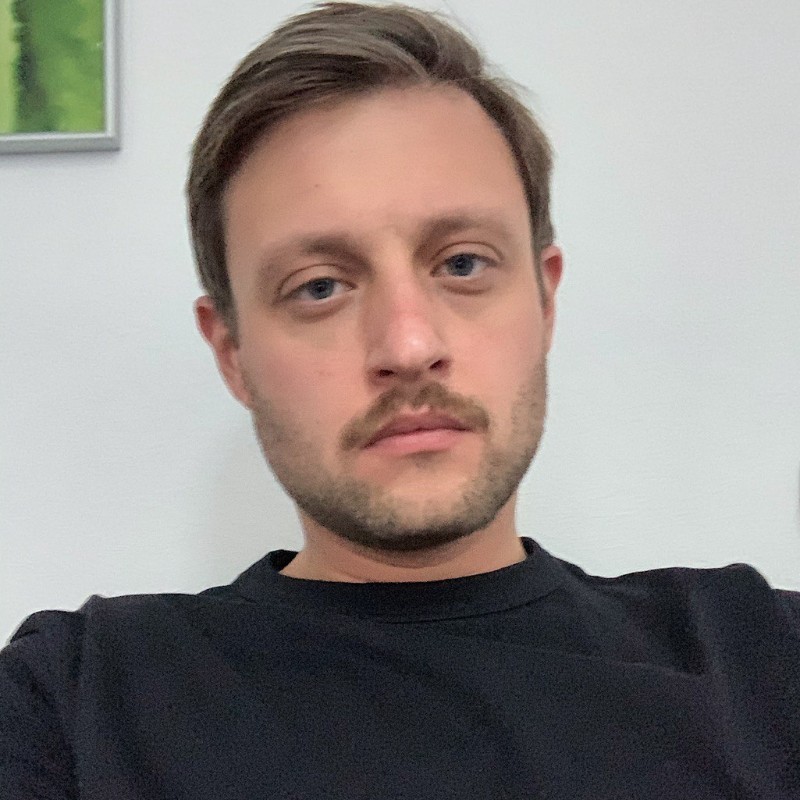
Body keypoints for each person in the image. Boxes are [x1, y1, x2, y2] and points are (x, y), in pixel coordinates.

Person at [1, 2, 799, 797]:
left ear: (545, 301)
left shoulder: (766, 658)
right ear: (232, 353)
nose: (409, 345)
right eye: (320, 287)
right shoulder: (72, 701)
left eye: (462, 264)